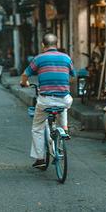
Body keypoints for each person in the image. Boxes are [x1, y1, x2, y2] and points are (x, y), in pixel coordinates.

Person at [20, 33, 75, 169]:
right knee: (64, 105)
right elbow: (73, 76)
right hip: (64, 98)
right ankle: (65, 129)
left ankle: (40, 158)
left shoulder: (39, 58)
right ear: (56, 44)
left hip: (46, 100)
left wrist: (24, 83)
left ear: (43, 45)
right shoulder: (66, 58)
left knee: (37, 127)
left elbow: (25, 75)